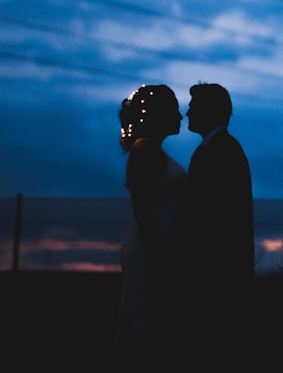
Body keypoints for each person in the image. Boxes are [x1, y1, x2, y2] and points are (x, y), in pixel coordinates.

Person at [114, 83, 187, 359]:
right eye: (175, 111)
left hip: (153, 244)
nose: (180, 117)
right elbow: (142, 205)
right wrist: (161, 249)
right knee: (144, 313)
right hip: (149, 247)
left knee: (150, 313)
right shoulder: (144, 150)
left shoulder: (153, 151)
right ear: (159, 116)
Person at [183, 82, 255, 353]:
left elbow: (213, 221)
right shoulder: (219, 149)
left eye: (193, 107)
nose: (188, 113)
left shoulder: (220, 152)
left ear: (208, 111)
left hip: (217, 279)